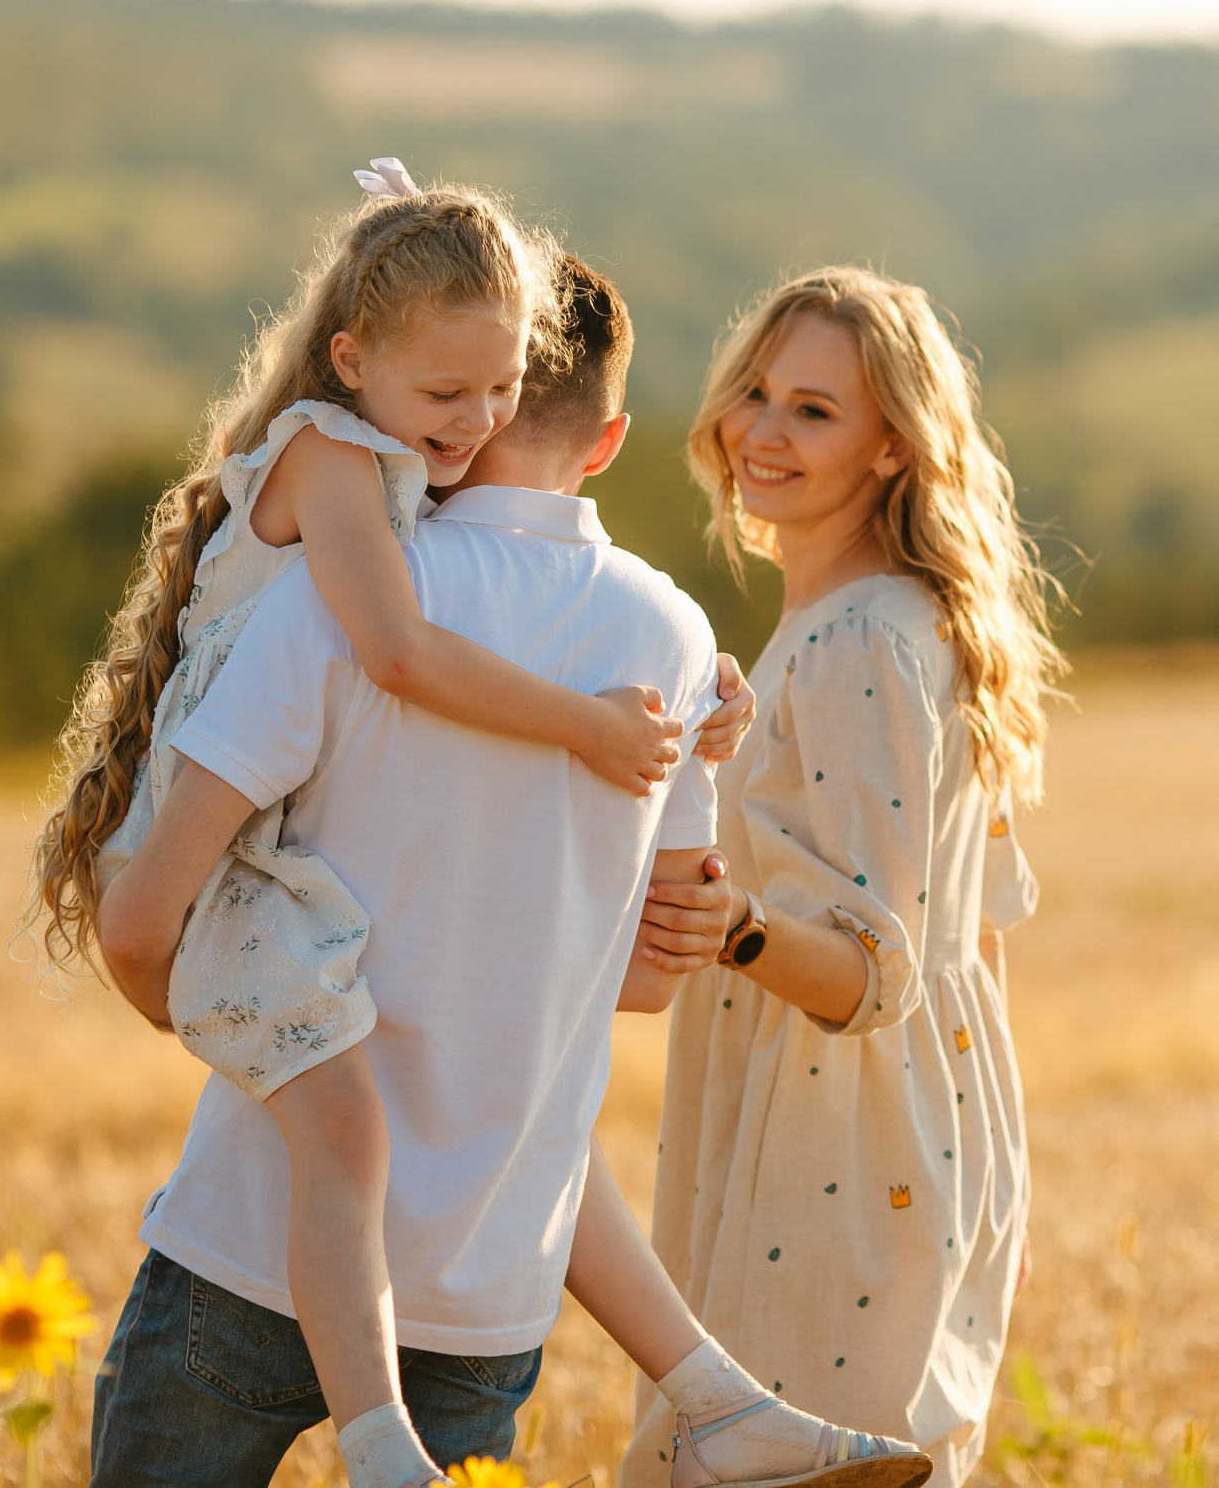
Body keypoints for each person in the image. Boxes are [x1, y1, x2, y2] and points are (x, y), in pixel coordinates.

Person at [87, 249, 930, 1488]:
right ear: (605, 442)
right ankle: (718, 1397)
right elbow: (647, 978)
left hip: (253, 1247)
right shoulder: (678, 632)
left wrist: (208, 1012)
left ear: (453, 405)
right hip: (490, 1279)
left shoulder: (343, 591)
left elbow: (142, 919)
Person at [621, 268, 1064, 1488]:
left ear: (889, 447)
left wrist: (736, 928)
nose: (762, 430)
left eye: (814, 411)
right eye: (756, 393)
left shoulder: (858, 642)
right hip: (930, 1136)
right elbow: (977, 945)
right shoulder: (917, 619)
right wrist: (986, 1177)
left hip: (840, 1144)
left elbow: (880, 968)